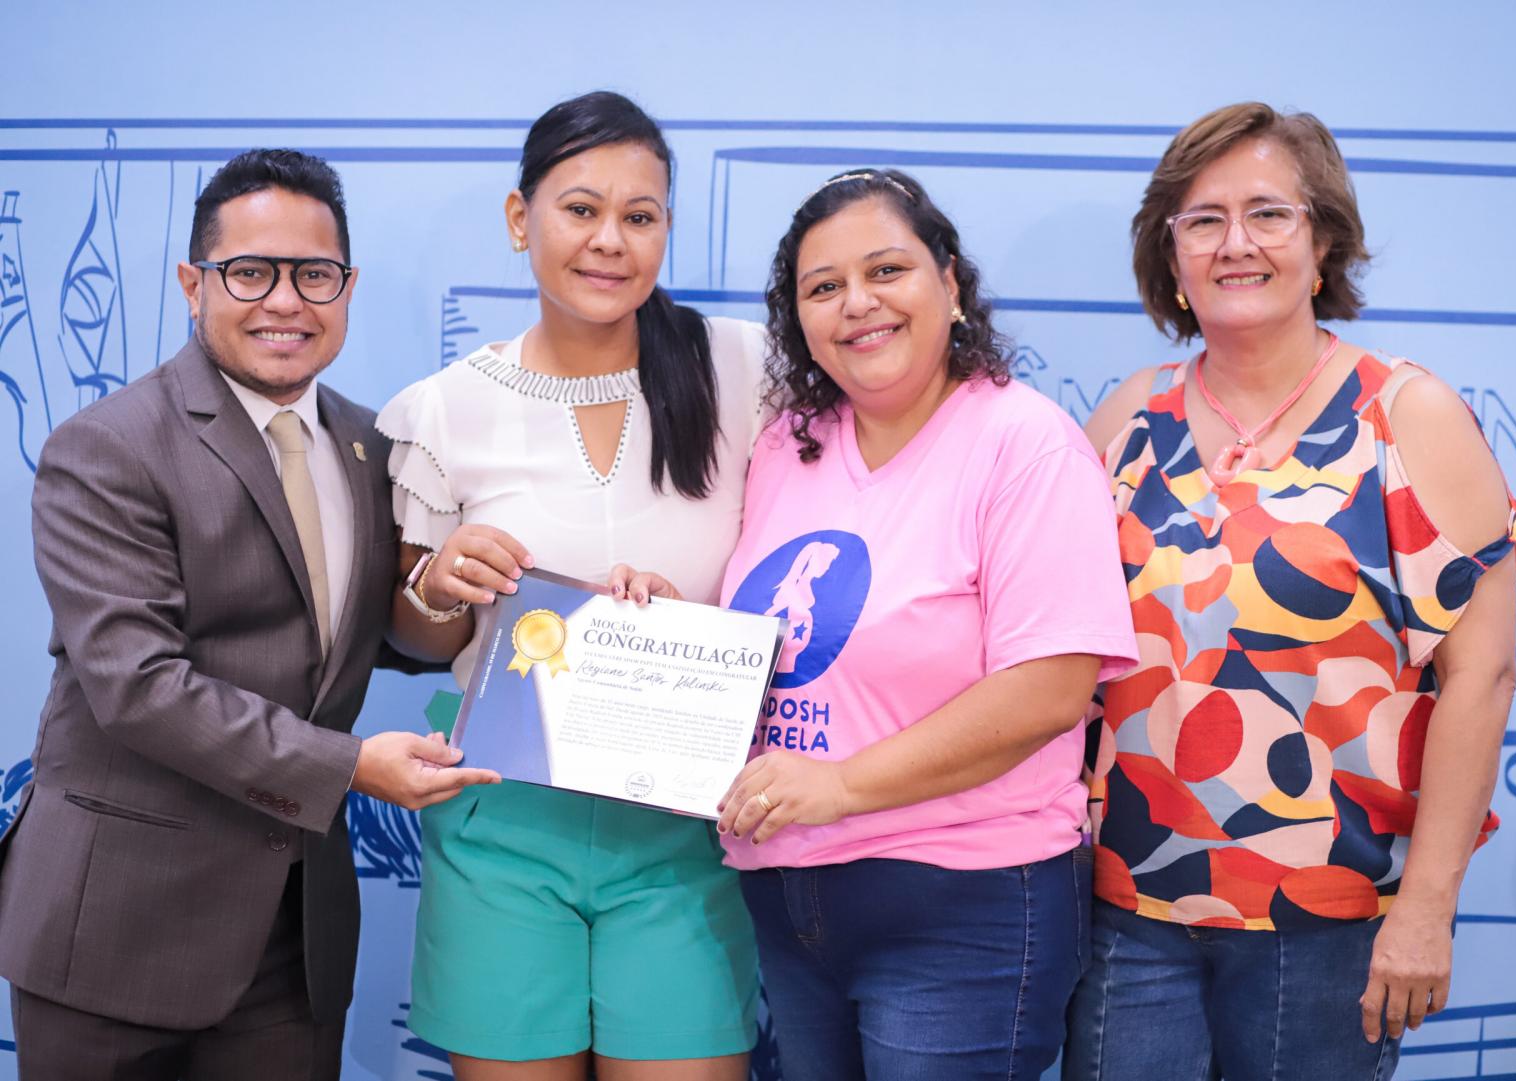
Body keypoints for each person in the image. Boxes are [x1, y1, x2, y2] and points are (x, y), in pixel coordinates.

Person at [625, 168, 1139, 1080]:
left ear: (949, 281)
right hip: (790, 903)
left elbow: (1053, 687)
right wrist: (668, 632)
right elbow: (781, 641)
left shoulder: (1024, 443)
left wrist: (844, 784)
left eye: (887, 270)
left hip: (961, 904)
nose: (857, 303)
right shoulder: (791, 442)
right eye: (823, 288)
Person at [0, 149, 499, 1081]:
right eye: (249, 272)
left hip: (293, 938)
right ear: (194, 284)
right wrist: (352, 766)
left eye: (314, 275)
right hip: (119, 928)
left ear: (346, 288)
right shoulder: (106, 448)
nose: (285, 300)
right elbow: (138, 687)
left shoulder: (368, 444)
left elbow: (367, 635)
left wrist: (454, 590)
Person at [1066, 103, 1516, 1081]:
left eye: (1267, 214)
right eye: (1202, 220)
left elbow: (1480, 676)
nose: (1234, 243)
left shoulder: (1407, 415)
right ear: (1173, 259)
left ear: (1322, 245)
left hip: (1326, 929)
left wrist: (1428, 906)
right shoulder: (1126, 417)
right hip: (1128, 916)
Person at [379, 92, 767, 1081]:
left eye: (639, 217)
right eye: (580, 209)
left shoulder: (744, 367)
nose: (610, 241)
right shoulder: (442, 408)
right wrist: (442, 582)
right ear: (521, 220)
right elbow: (420, 639)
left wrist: (690, 619)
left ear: (667, 229)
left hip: (683, 825)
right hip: (503, 820)